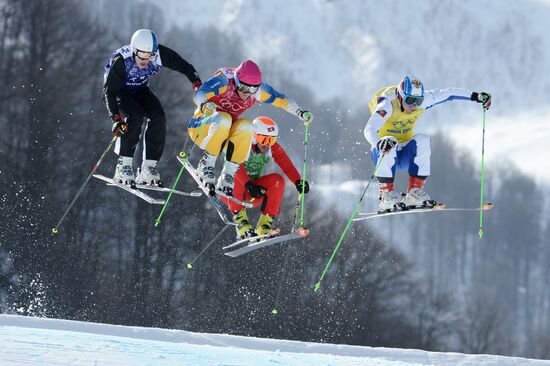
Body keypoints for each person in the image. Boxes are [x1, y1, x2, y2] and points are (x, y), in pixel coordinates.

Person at [364, 74, 491, 212]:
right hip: (383, 154)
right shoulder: (387, 105)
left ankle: (414, 193)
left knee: (423, 140)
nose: (413, 106)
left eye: (417, 101)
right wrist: (378, 144)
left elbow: (449, 93)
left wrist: (476, 96)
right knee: (389, 141)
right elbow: (369, 129)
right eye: (410, 100)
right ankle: (386, 196)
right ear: (400, 96)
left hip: (405, 153)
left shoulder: (424, 100)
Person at [189, 59, 312, 196]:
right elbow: (200, 93)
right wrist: (204, 104)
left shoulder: (259, 91)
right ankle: (206, 164)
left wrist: (300, 112)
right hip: (201, 128)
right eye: (244, 88)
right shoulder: (224, 80)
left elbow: (282, 100)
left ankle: (228, 174)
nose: (248, 93)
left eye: (253, 89)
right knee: (224, 118)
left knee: (247, 126)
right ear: (236, 82)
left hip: (224, 137)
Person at [103, 29, 202, 186]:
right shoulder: (122, 60)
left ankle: (148, 168)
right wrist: (115, 118)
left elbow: (182, 65)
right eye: (142, 55)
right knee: (135, 116)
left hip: (140, 89)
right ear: (134, 50)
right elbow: (109, 92)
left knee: (158, 115)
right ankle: (123, 165)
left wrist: (195, 80)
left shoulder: (158, 54)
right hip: (119, 91)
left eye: (150, 56)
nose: (146, 60)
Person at [221, 116, 309, 239]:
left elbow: (286, 164)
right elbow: (235, 166)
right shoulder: (242, 143)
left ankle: (264, 226)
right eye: (264, 139)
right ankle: (241, 224)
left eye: (272, 139)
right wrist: (249, 185)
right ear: (254, 136)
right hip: (230, 193)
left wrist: (298, 181)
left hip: (253, 193)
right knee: (234, 175)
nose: (268, 143)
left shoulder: (270, 148)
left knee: (277, 180)